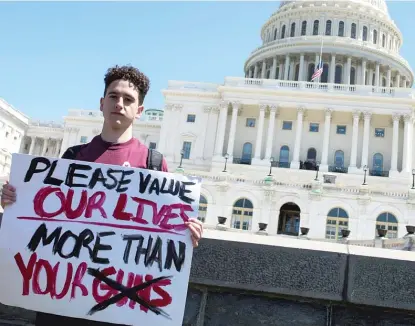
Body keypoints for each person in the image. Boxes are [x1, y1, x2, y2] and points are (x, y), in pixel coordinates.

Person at [0, 65, 203, 326]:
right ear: (102, 103)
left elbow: (164, 234)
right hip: (63, 303)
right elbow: (46, 219)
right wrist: (16, 203)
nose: (119, 103)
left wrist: (187, 233)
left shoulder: (153, 164)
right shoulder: (73, 157)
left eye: (128, 99)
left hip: (119, 308)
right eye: (113, 96)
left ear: (139, 111)